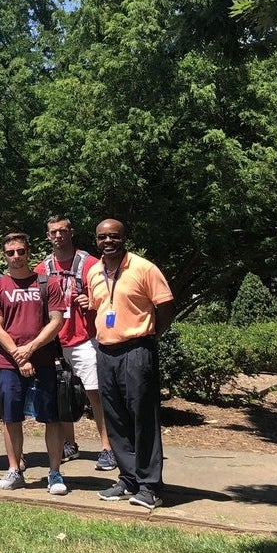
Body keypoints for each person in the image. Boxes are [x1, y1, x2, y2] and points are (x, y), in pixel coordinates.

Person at [88, 219, 175, 511]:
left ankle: (150, 486)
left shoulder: (144, 268)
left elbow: (165, 308)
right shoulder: (94, 272)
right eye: (103, 237)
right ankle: (128, 479)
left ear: (125, 238)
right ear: (96, 240)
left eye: (114, 236)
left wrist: (148, 335)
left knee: (143, 417)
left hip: (137, 349)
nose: (108, 241)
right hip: (106, 352)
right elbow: (96, 309)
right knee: (115, 418)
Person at [0, 233, 67, 496]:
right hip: (8, 364)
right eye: (10, 252)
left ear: (28, 252)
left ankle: (54, 473)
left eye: (21, 251)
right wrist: (18, 354)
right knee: (11, 418)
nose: (16, 256)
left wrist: (30, 349)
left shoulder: (48, 283)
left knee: (51, 418)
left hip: (43, 361)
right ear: (4, 256)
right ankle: (14, 470)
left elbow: (56, 322)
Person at [35, 215, 115, 471]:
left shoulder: (90, 264)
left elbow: (110, 296)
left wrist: (91, 302)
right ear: (48, 236)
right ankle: (69, 443)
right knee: (61, 394)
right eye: (53, 232)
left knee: (95, 394)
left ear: (71, 232)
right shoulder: (42, 268)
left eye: (62, 231)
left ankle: (108, 447)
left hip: (84, 337)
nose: (58, 236)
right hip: (55, 341)